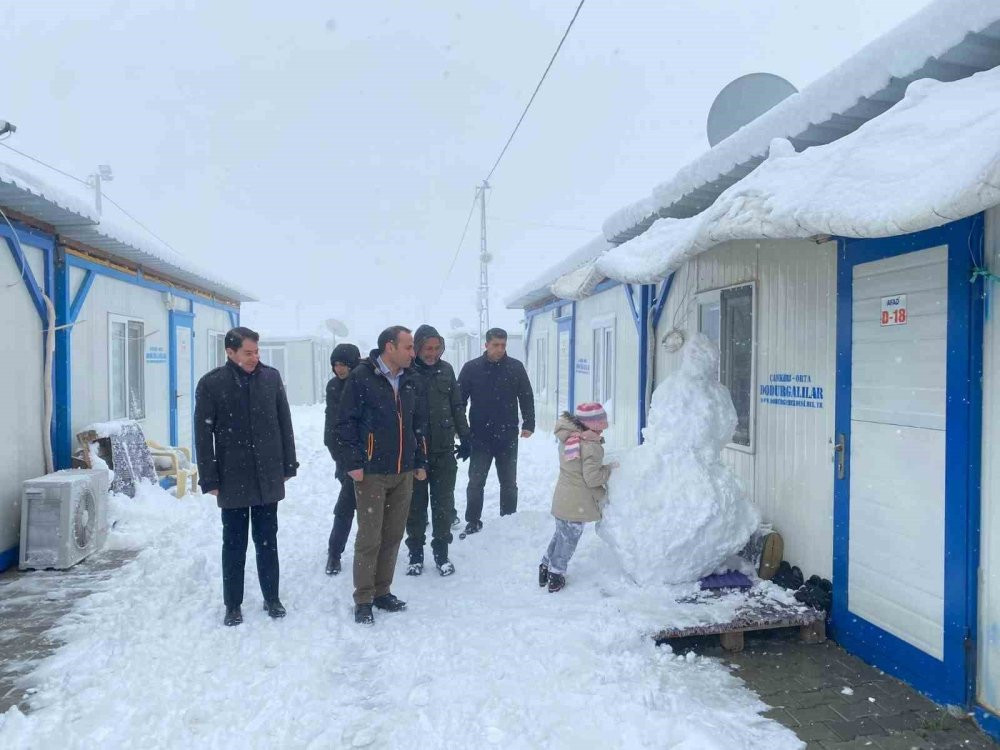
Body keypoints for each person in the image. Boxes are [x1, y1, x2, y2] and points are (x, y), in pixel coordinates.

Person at [195, 326, 299, 626]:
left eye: (256, 352)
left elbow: (284, 423)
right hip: (232, 476)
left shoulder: (271, 378)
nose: (254, 357)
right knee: (234, 542)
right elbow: (204, 436)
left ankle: (272, 597)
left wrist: (288, 465)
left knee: (268, 539)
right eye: (248, 353)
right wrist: (209, 478)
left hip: (267, 473)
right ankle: (233, 604)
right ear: (230, 352)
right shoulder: (212, 384)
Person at [337, 326, 428, 625]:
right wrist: (353, 462)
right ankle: (363, 598)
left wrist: (419, 460)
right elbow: (346, 423)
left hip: (403, 471)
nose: (413, 353)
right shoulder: (362, 378)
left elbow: (417, 423)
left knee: (392, 536)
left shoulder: (411, 379)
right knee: (370, 537)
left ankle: (382, 591)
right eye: (408, 346)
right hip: (372, 472)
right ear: (390, 347)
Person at [404, 325, 470, 577]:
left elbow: (456, 405)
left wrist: (465, 436)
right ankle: (415, 553)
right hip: (415, 453)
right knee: (416, 506)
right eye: (427, 348)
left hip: (443, 450)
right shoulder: (407, 372)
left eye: (436, 348)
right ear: (418, 348)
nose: (432, 353)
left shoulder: (446, 370)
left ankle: (441, 552)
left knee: (443, 504)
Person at [457, 327, 534, 536]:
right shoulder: (471, 369)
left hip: (507, 435)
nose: (500, 349)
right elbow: (458, 401)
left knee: (509, 482)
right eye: (495, 345)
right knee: (476, 481)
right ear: (486, 345)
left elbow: (526, 396)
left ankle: (508, 518)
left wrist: (528, 423)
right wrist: (460, 428)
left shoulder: (515, 368)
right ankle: (473, 520)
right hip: (480, 436)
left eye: (503, 345)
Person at [539, 403, 617, 593]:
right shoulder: (590, 446)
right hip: (577, 502)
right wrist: (608, 470)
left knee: (560, 535)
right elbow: (592, 478)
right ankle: (556, 575)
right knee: (569, 539)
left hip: (563, 497)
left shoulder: (569, 438)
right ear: (590, 426)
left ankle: (545, 567)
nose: (601, 432)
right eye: (599, 428)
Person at [323, 343, 361, 575]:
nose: (339, 369)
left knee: (373, 509)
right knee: (346, 507)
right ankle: (334, 553)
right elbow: (332, 426)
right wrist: (342, 459)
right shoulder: (334, 387)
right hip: (345, 459)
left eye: (344, 364)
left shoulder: (365, 384)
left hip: (368, 457)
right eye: (336, 365)